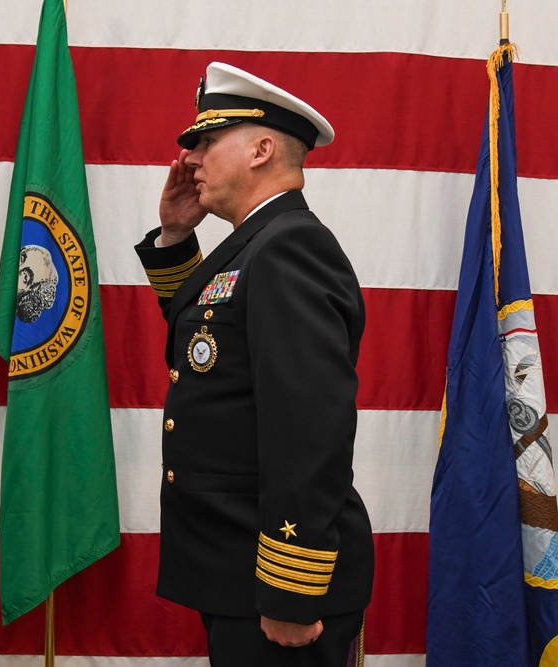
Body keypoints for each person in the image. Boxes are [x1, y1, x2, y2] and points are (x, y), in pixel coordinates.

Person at [135, 62, 374, 666]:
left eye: (207, 140)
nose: (189, 157)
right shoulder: (261, 241)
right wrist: (174, 239)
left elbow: (307, 428)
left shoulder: (288, 247)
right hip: (238, 567)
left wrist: (292, 591)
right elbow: (212, 346)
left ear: (262, 149)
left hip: (278, 579)